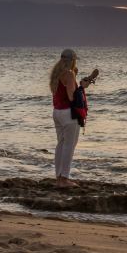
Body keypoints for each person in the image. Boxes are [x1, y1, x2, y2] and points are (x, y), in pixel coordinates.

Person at [49, 49, 98, 188]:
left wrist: (77, 80)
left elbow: (62, 92)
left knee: (61, 144)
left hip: (57, 112)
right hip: (68, 114)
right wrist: (82, 86)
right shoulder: (69, 74)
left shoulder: (56, 73)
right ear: (72, 60)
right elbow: (72, 97)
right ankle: (64, 179)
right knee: (69, 146)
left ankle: (58, 178)